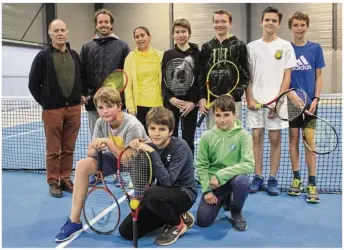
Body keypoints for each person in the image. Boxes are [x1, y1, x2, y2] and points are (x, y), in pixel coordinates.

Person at [54, 87, 149, 242]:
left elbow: (127, 161)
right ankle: (74, 220)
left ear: (119, 106)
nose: (105, 111)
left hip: (140, 164)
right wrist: (97, 148)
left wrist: (109, 144)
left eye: (109, 106)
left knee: (142, 212)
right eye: (100, 107)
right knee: (82, 165)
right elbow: (89, 152)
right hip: (116, 158)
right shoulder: (100, 122)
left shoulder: (133, 126)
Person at [118, 107, 197, 246]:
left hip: (184, 194)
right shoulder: (147, 146)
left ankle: (178, 224)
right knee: (126, 231)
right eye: (153, 128)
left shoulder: (180, 147)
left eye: (162, 129)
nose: (156, 133)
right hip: (159, 197)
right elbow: (135, 174)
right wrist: (135, 152)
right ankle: (175, 214)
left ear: (170, 131)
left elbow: (168, 181)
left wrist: (152, 152)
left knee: (151, 194)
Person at [246, 6, 297, 196]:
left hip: (277, 101)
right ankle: (257, 176)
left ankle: (273, 178)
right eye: (267, 19)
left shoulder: (285, 46)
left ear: (278, 24)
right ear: (261, 22)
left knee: (275, 139)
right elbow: (248, 77)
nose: (270, 23)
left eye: (274, 20)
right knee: (256, 138)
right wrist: (249, 98)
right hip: (255, 102)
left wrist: (277, 102)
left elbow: (287, 77)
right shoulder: (251, 47)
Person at [28, 19, 82, 198]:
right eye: (56, 30)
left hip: (74, 109)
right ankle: (53, 181)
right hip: (52, 111)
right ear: (50, 34)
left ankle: (65, 179)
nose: (60, 33)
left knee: (69, 148)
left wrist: (77, 96)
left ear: (67, 33)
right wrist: (46, 103)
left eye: (63, 30)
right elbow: (33, 84)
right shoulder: (42, 57)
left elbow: (80, 78)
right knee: (53, 151)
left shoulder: (75, 55)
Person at [79, 8, 130, 186]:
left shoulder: (122, 46)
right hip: (94, 104)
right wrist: (83, 93)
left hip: (115, 104)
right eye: (100, 22)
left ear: (111, 24)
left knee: (117, 139)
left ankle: (118, 173)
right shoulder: (87, 47)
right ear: (96, 24)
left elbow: (125, 73)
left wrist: (123, 99)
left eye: (106, 22)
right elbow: (82, 73)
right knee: (97, 140)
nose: (104, 25)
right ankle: (97, 172)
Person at [196, 95, 254, 230]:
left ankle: (236, 210)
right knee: (203, 221)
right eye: (218, 115)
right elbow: (201, 165)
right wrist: (207, 191)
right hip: (214, 185)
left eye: (226, 115)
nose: (222, 120)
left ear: (235, 115)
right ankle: (225, 199)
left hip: (233, 179)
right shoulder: (207, 137)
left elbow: (249, 164)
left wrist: (221, 175)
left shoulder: (243, 135)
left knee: (243, 181)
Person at [287, 11, 325, 203]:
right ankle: (296, 179)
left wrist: (316, 99)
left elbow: (318, 76)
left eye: (302, 25)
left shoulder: (315, 48)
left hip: (311, 103)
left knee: (309, 141)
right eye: (296, 25)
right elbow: (284, 79)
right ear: (291, 27)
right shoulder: (286, 49)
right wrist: (294, 99)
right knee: (293, 139)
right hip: (292, 103)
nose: (299, 28)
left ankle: (312, 182)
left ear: (307, 26)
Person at [198, 9, 250, 129]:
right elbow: (201, 74)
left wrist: (233, 94)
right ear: (213, 24)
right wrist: (202, 97)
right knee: (214, 139)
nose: (219, 25)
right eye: (216, 22)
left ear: (230, 23)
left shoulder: (239, 45)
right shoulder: (207, 47)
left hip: (233, 102)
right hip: (212, 102)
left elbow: (245, 75)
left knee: (234, 137)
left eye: (223, 21)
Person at [161, 18, 200, 155]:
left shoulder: (197, 54)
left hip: (190, 106)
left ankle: (187, 171)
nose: (180, 34)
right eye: (177, 32)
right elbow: (164, 81)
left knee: (188, 140)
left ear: (189, 33)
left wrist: (193, 102)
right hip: (172, 104)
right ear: (173, 35)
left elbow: (199, 80)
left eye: (184, 31)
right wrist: (170, 99)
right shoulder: (168, 55)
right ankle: (173, 169)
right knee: (171, 139)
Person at [124, 26, 164, 133]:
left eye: (142, 35)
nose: (140, 39)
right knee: (141, 140)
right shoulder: (130, 58)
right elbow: (127, 85)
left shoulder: (160, 56)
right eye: (137, 37)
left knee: (158, 139)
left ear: (149, 37)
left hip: (158, 106)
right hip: (139, 107)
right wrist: (131, 109)